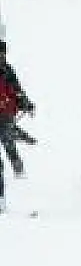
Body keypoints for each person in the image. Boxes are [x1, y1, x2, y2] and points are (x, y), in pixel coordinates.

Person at [0, 39, 35, 211]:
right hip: (6, 112)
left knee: (8, 141)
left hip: (5, 113)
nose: (1, 56)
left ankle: (18, 169)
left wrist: (26, 103)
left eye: (2, 53)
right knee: (8, 140)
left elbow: (17, 89)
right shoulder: (6, 70)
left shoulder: (7, 70)